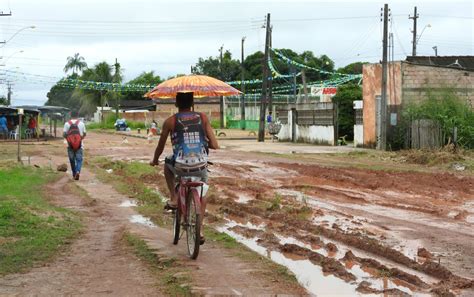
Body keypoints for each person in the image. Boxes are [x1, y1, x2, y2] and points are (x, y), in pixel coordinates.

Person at [150, 92, 218, 244]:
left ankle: (174, 198)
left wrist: (155, 160)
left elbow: (160, 147)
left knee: (168, 164)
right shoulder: (203, 118)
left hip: (180, 166)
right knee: (202, 192)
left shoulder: (170, 121)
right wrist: (204, 141)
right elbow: (215, 145)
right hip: (200, 165)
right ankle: (199, 230)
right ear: (193, 103)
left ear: (176, 104)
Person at [63, 114, 86, 180]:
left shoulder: (67, 123)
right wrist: (80, 139)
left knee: (72, 160)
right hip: (79, 145)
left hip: (70, 145)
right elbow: (84, 133)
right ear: (77, 115)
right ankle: (78, 171)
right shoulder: (81, 123)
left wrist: (69, 139)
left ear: (70, 115)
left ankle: (74, 174)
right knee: (79, 160)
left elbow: (64, 134)